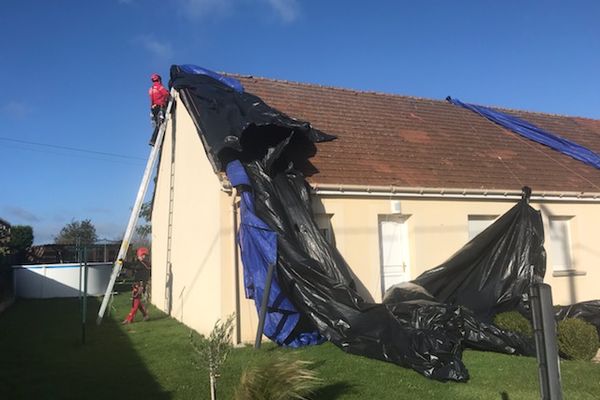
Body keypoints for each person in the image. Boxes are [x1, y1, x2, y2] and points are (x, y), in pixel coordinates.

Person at [121, 247, 152, 323]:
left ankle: (129, 319)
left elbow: (132, 266)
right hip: (138, 284)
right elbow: (134, 265)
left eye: (144, 255)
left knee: (135, 303)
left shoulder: (143, 264)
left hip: (140, 285)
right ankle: (145, 315)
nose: (143, 257)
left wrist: (123, 263)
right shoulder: (145, 264)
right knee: (137, 302)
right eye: (142, 255)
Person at [148, 73, 170, 145]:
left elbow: (152, 100)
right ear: (159, 79)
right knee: (160, 124)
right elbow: (166, 94)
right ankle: (153, 140)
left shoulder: (151, 89)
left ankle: (157, 140)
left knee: (157, 124)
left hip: (153, 109)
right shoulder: (159, 87)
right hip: (160, 107)